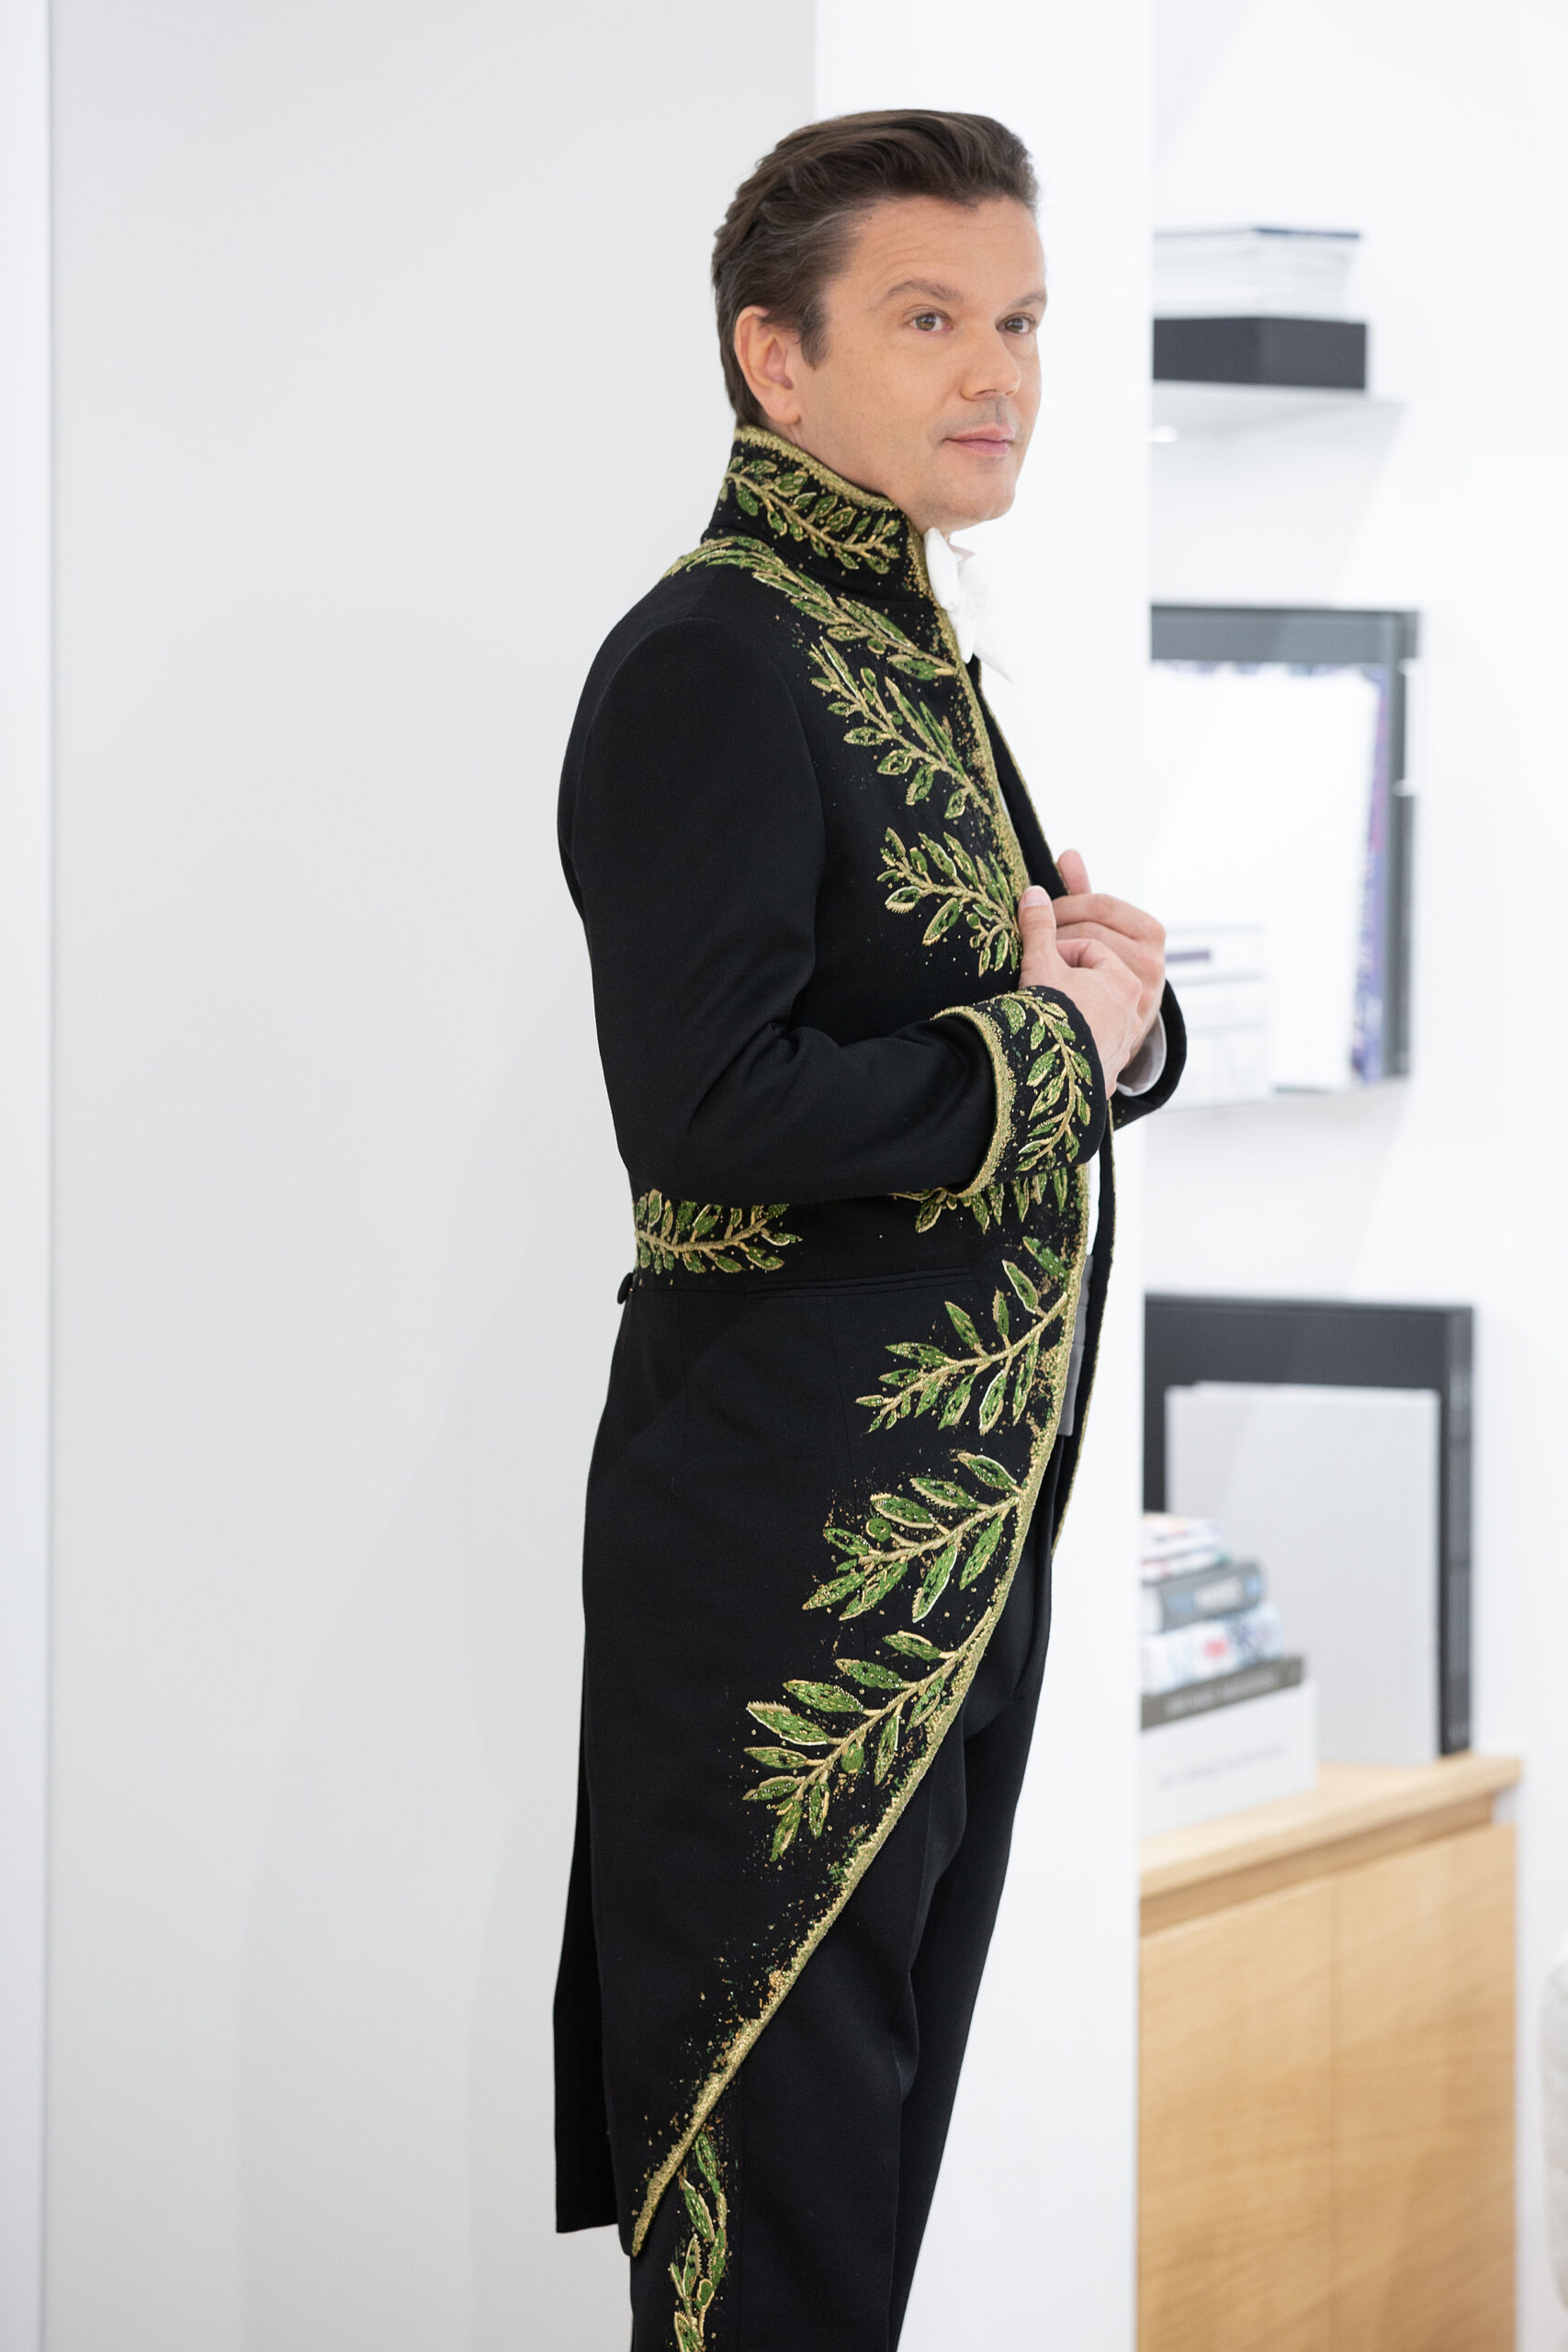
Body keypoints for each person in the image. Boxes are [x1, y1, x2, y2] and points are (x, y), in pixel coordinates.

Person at [553, 108, 1184, 2350]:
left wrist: (1104, 1011)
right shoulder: (717, 656)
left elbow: (972, 1023)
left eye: (1018, 320)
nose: (995, 371)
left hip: (940, 1556)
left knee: (854, 2204)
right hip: (785, 1581)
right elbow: (708, 1109)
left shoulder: (892, 643)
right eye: (926, 319)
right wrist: (1049, 1046)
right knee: (777, 2221)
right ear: (775, 357)